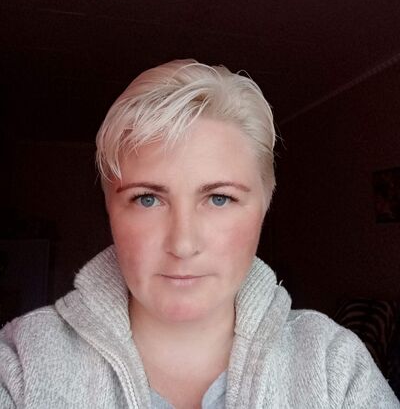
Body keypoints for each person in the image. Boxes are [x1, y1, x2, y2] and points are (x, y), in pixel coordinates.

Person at [0, 59, 398, 408]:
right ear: (110, 210)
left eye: (219, 198)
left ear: (264, 207)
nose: (183, 244)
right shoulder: (22, 365)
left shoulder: (334, 366)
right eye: (147, 199)